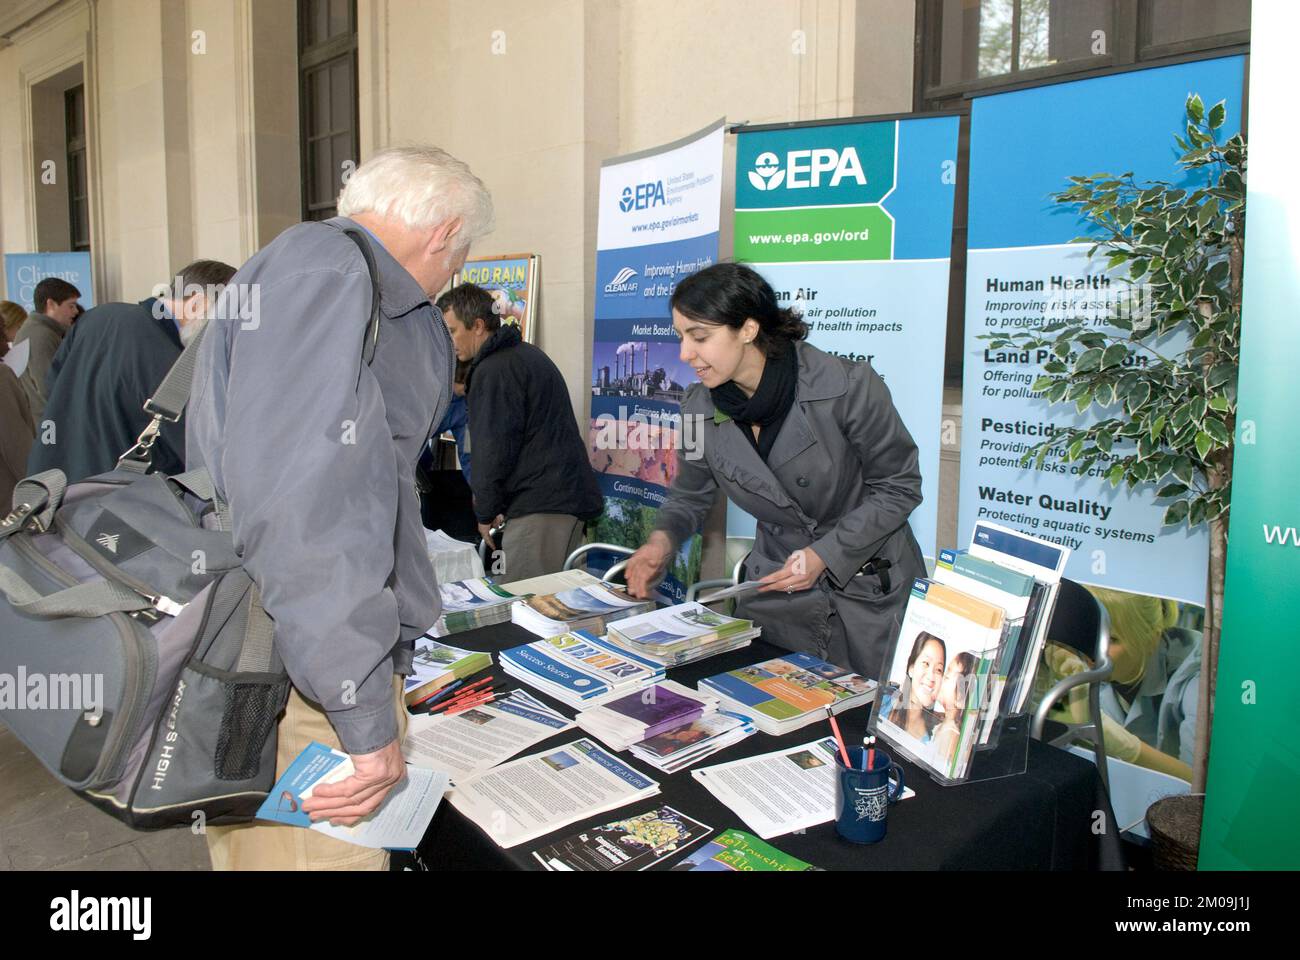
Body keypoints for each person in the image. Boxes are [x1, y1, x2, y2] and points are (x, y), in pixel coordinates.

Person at [186, 144, 494, 871]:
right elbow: (308, 507)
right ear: (444, 232)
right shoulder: (330, 274)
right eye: (461, 255)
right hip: (304, 677)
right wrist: (359, 710)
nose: (453, 275)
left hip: (283, 651)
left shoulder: (311, 269)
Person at [625, 262, 927, 677]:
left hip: (865, 589)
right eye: (680, 337)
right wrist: (660, 543)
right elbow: (690, 494)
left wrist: (826, 554)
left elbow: (899, 488)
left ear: (747, 329)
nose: (684, 354)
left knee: (861, 732)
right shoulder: (697, 407)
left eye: (700, 337)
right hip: (778, 593)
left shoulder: (848, 387)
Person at [438, 282, 603, 583]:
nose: (449, 341)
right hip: (560, 503)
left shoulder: (493, 371)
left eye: (451, 331)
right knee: (556, 607)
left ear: (476, 326)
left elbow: (491, 450)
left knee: (524, 611)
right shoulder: (523, 355)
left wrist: (485, 512)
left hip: (539, 510)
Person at [27, 261, 236, 482]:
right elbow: (196, 447)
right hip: (110, 499)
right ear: (197, 304)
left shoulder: (98, 317)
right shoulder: (163, 352)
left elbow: (53, 384)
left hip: (56, 483)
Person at [1037, 586, 1199, 781]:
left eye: (1111, 639)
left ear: (1152, 639)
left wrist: (1127, 747)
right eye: (1088, 633)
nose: (1092, 651)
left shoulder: (1198, 680)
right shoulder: (1078, 659)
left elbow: (1199, 787)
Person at [12, 277, 81, 421]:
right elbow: (49, 386)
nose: (75, 311)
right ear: (51, 304)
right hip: (49, 424)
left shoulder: (38, 331)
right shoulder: (41, 335)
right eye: (71, 306)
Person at [885, 631, 945, 742]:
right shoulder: (884, 703)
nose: (931, 677)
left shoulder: (935, 739)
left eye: (939, 670)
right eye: (926, 663)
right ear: (911, 668)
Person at [929, 651, 977, 769]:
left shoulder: (950, 734)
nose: (939, 679)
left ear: (961, 697)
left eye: (946, 677)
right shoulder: (944, 726)